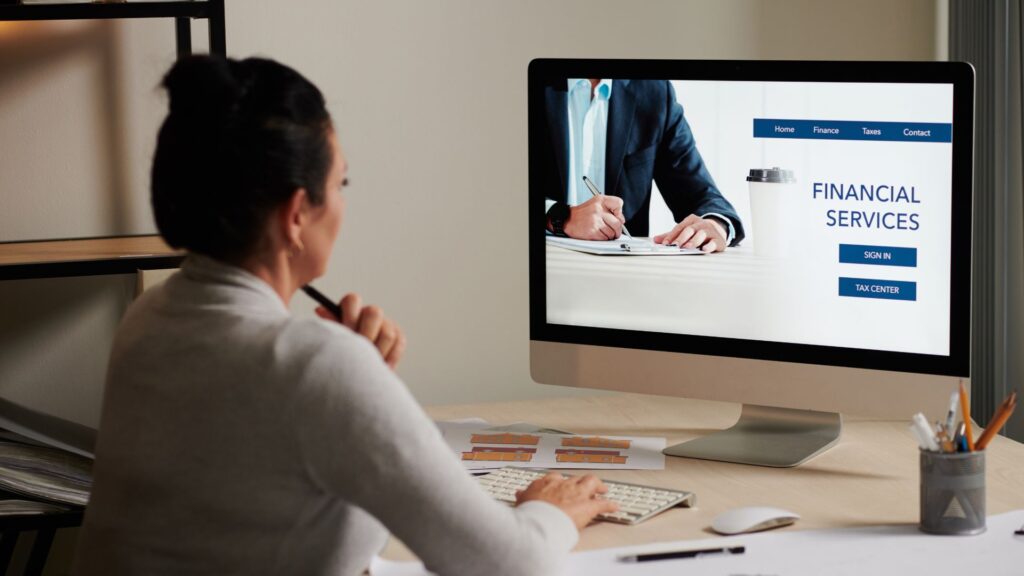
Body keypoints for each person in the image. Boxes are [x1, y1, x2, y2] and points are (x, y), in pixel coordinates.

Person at [74, 55, 615, 576]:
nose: (342, 203)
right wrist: (552, 508)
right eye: (340, 184)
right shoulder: (316, 367)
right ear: (295, 215)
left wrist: (360, 378)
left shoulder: (147, 319)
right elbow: (511, 562)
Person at [542, 78, 745, 252]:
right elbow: (512, 196)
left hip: (624, 275)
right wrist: (561, 218)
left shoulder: (654, 93)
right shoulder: (529, 81)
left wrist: (714, 225)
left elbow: (701, 194)